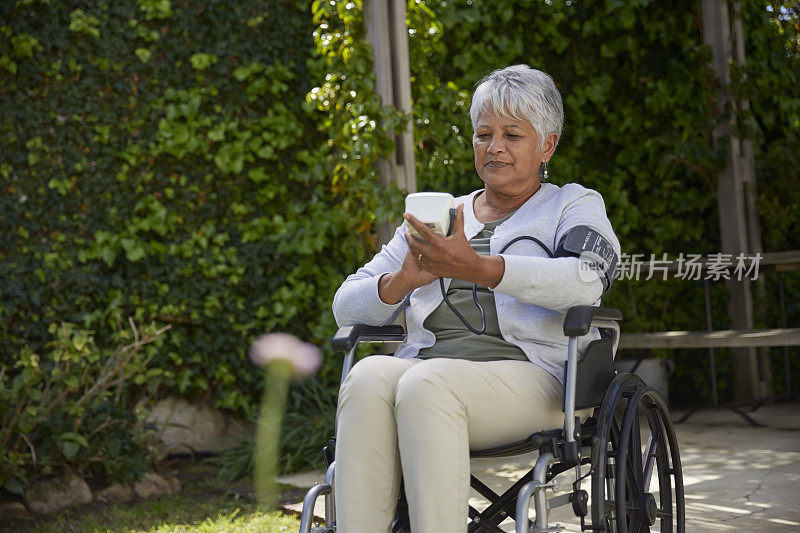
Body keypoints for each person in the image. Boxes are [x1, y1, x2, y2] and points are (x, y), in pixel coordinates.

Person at [331, 64, 620, 533]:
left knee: (426, 384)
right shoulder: (441, 215)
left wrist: (481, 269)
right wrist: (401, 281)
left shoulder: (572, 205)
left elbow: (586, 280)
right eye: (483, 134)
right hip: (428, 372)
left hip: (537, 379)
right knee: (367, 376)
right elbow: (345, 305)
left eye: (512, 134)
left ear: (547, 145)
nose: (494, 147)